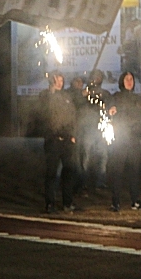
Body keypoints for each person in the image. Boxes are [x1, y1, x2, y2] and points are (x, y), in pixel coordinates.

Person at [106, 71, 141, 211]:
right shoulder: (116, 97)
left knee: (134, 172)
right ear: (121, 81)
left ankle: (135, 201)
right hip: (121, 139)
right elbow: (109, 107)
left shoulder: (138, 99)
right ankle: (115, 201)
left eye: (131, 79)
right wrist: (110, 109)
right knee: (117, 171)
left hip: (135, 140)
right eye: (126, 79)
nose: (129, 81)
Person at [40, 71, 79, 213]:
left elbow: (73, 115)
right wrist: (51, 91)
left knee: (69, 172)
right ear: (52, 81)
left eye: (62, 80)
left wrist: (73, 135)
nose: (60, 83)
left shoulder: (66, 97)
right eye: (57, 80)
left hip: (67, 141)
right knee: (51, 173)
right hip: (53, 141)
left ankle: (67, 203)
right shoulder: (46, 95)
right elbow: (44, 111)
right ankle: (50, 203)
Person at [79, 69, 110, 192]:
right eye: (95, 77)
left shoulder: (105, 94)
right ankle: (83, 182)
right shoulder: (86, 94)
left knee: (103, 155)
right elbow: (79, 107)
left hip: (101, 129)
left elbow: (109, 105)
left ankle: (100, 181)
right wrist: (82, 97)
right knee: (86, 156)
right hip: (88, 128)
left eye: (99, 77)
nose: (97, 79)